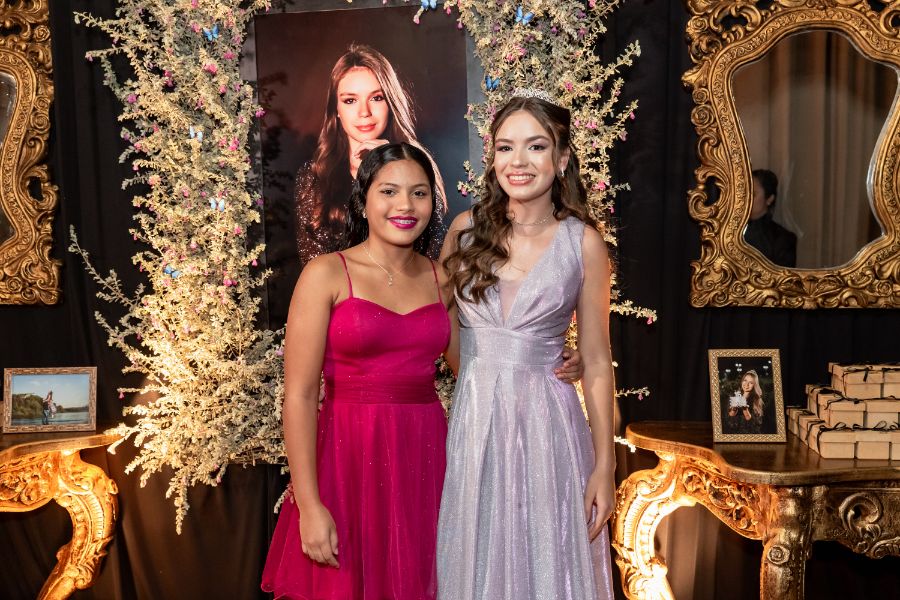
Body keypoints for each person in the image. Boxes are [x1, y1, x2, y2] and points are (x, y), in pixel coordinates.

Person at [261, 143, 583, 599]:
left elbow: (475, 363)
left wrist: (552, 357)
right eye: (388, 191)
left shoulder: (442, 278)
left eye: (419, 193)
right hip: (347, 459)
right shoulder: (326, 274)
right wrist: (310, 504)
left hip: (426, 460)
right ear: (363, 201)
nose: (405, 205)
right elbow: (297, 396)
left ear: (433, 203)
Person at [437, 93, 616, 599]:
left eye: (535, 146)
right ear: (492, 158)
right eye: (505, 147)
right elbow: (442, 330)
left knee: (549, 561)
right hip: (476, 427)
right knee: (479, 560)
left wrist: (605, 465)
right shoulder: (464, 232)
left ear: (561, 159)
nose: (518, 161)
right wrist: (483, 380)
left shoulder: (583, 243)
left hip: (550, 429)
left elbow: (597, 361)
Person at [294, 44, 446, 268]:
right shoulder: (314, 176)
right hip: (339, 290)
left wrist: (391, 164)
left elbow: (431, 260)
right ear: (336, 110)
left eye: (376, 98)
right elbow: (313, 268)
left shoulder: (419, 168)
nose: (364, 112)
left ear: (390, 103)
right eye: (350, 100)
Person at [744, 168, 797, 267]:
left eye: (753, 194)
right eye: (744, 193)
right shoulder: (731, 230)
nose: (746, 198)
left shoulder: (783, 239)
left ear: (769, 199)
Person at [725, 370, 765, 434]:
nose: (746, 384)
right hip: (734, 433)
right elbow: (729, 417)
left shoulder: (757, 400)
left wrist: (745, 409)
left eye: (751, 382)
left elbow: (754, 423)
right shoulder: (734, 396)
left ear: (754, 385)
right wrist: (734, 408)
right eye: (745, 380)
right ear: (742, 381)